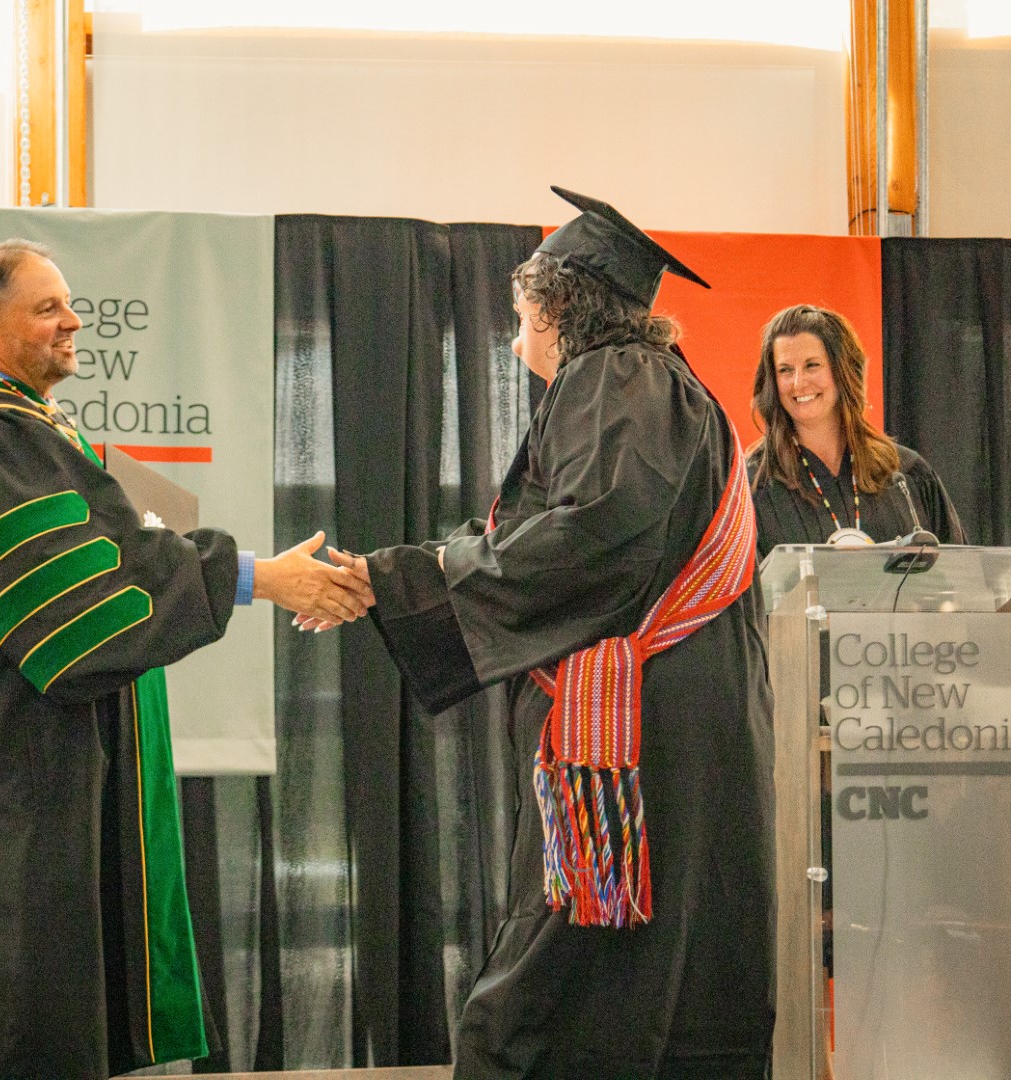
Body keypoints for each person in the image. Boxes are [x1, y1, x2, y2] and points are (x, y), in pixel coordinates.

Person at [0, 238, 371, 1080]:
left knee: (66, 1004)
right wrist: (262, 578)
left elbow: (125, 547)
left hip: (41, 763)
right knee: (40, 1020)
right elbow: (86, 594)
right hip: (18, 771)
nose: (74, 321)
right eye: (47, 308)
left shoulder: (28, 430)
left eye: (70, 303)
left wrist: (246, 571)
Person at [324, 189, 775, 1079]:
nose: (513, 338)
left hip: (641, 720)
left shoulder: (616, 376)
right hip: (685, 700)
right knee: (680, 943)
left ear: (560, 306)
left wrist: (400, 580)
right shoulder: (652, 381)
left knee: (573, 951)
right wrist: (396, 574)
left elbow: (590, 540)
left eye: (521, 313)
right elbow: (557, 534)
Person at [748, 303, 964, 560]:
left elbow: (959, 571)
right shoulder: (753, 487)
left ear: (844, 370)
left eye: (812, 365)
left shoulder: (906, 475)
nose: (798, 382)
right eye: (785, 370)